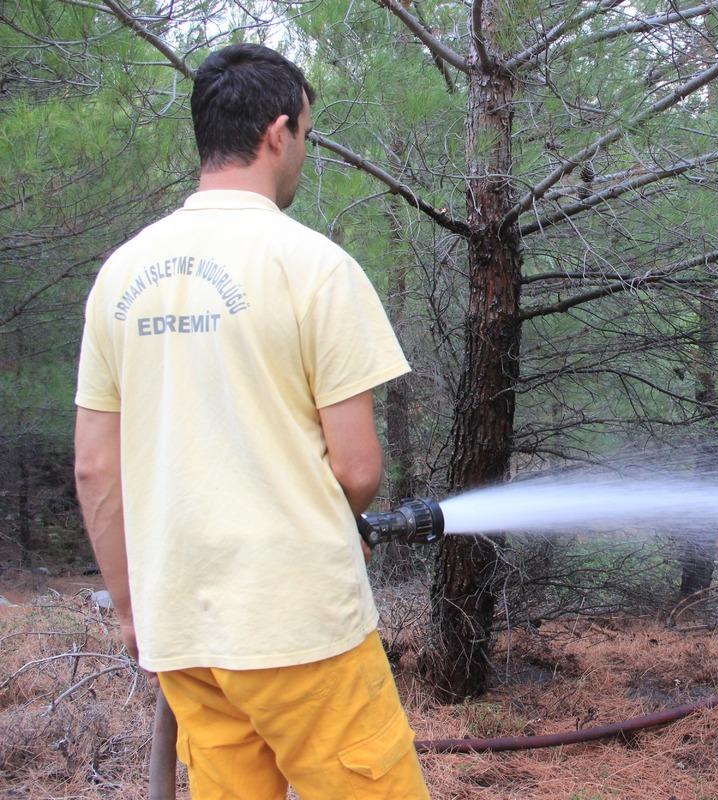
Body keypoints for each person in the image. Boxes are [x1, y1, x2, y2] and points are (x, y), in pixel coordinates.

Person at [73, 43, 430, 799]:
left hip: (185, 630)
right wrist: (338, 525)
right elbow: (360, 468)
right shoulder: (313, 266)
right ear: (277, 132)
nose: (304, 149)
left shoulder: (119, 277)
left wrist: (137, 612)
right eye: (306, 132)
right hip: (301, 627)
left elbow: (95, 469)